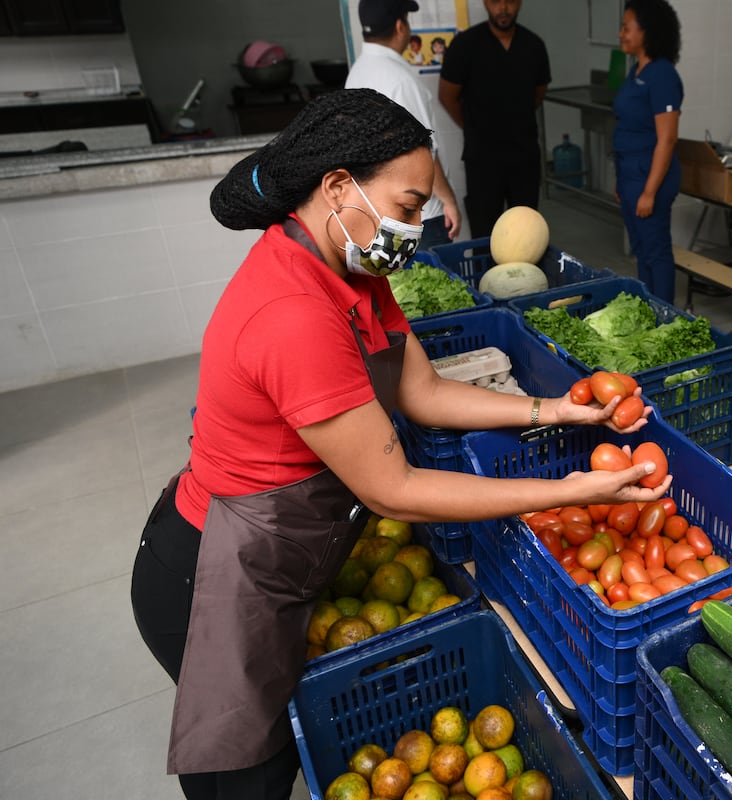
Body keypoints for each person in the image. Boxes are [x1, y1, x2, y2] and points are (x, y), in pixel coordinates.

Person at [129, 89, 668, 800]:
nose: (416, 228)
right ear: (337, 187)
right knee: (249, 774)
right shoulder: (293, 312)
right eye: (409, 207)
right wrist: (573, 491)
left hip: (278, 554)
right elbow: (395, 489)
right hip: (213, 577)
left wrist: (557, 410)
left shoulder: (348, 266)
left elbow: (424, 392)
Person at [345, 0, 460, 248]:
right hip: (420, 217)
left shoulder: (357, 73)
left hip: (379, 214)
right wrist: (449, 201)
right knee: (434, 284)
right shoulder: (400, 80)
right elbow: (424, 150)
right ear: (400, 26)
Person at [438, 0, 550, 238]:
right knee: (485, 233)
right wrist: (473, 127)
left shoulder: (533, 45)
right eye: (496, 1)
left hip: (524, 157)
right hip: (483, 161)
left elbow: (538, 94)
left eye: (509, 1)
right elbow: (447, 96)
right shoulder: (465, 45)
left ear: (519, 3)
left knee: (527, 234)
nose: (503, 8)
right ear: (485, 3)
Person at [613, 0, 683, 304]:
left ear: (647, 32)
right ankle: (649, 309)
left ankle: (666, 318)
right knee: (641, 250)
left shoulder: (663, 75)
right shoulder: (637, 70)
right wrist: (621, 181)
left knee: (656, 253)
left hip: (649, 178)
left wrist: (649, 192)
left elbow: (666, 140)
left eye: (627, 28)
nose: (621, 34)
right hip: (631, 176)